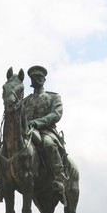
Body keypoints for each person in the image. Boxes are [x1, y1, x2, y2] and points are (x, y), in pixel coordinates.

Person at [24, 65, 68, 205]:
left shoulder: (53, 97)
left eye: (39, 77)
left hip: (46, 131)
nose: (36, 79)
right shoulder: (25, 101)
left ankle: (60, 177)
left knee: (48, 144)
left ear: (44, 79)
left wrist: (37, 123)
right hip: (26, 132)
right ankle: (0, 184)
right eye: (33, 78)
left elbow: (56, 114)